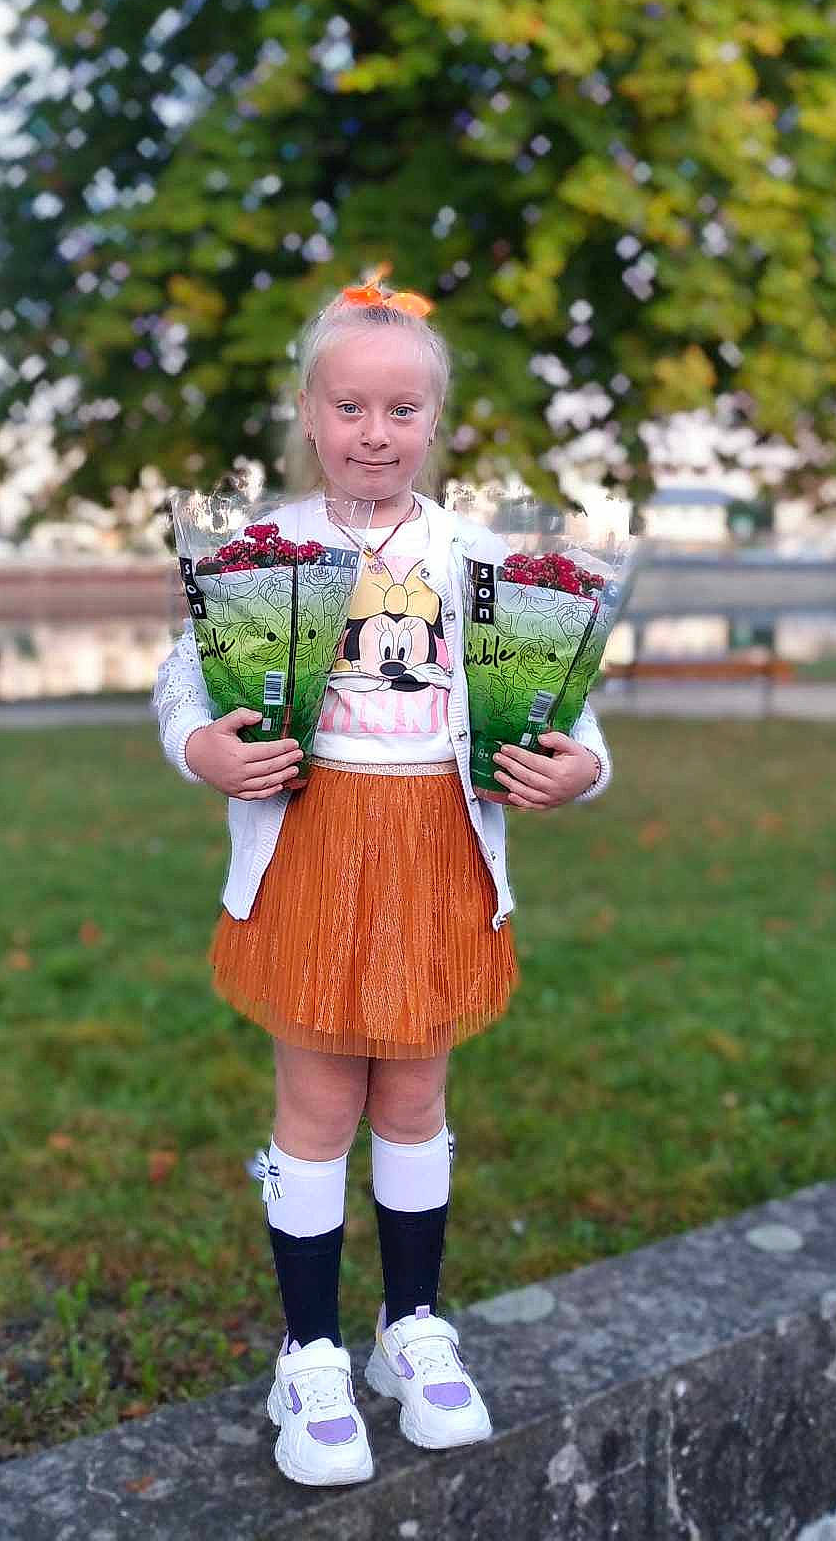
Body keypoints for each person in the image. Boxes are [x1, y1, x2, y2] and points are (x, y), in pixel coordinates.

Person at [150, 266, 612, 1488]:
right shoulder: (266, 549)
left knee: (413, 1097)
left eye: (402, 410)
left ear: (434, 421)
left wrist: (583, 768)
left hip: (437, 849)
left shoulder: (480, 556)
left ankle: (412, 1329)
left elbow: (565, 699)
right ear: (310, 413)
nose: (374, 432)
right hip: (312, 842)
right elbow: (184, 680)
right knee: (317, 1105)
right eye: (349, 407)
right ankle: (309, 1354)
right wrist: (201, 748)